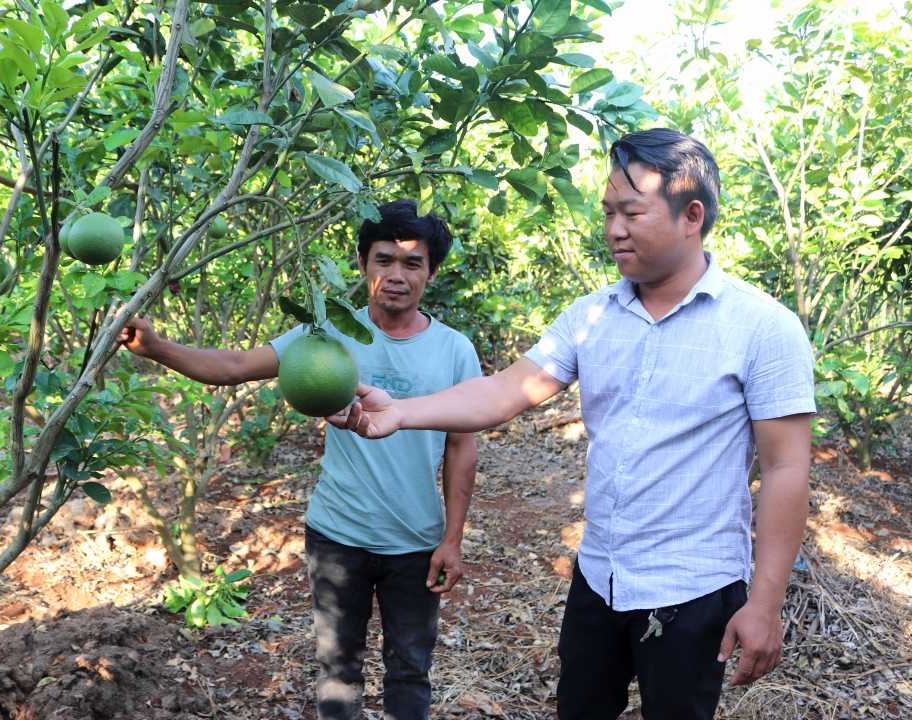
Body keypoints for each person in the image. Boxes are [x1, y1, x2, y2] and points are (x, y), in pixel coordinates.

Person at [331, 129, 815, 719]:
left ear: (692, 216)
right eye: (608, 212)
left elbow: (787, 467)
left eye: (631, 212)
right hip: (600, 574)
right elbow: (507, 390)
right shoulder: (590, 317)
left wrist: (765, 602)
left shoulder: (764, 327)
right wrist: (402, 412)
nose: (613, 228)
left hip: (695, 587)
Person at [118, 199, 482, 720]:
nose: (396, 275)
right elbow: (238, 365)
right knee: (338, 670)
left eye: (412, 263)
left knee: (410, 669)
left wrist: (452, 539)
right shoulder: (327, 332)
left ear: (432, 272)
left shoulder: (454, 350)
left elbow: (461, 446)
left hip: (416, 542)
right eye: (383, 260)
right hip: (337, 536)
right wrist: (157, 348)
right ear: (363, 266)